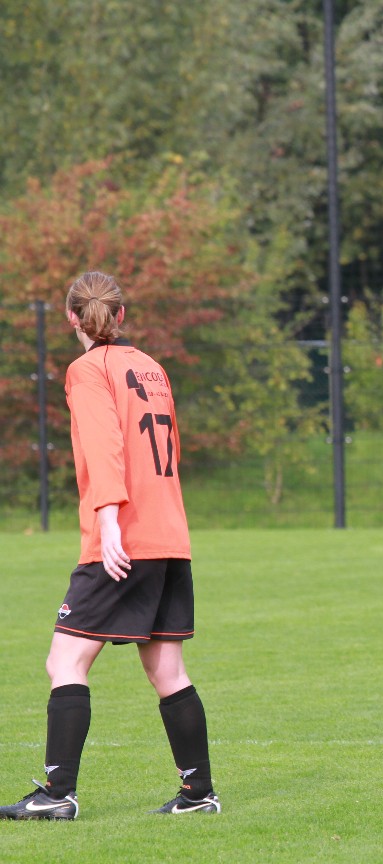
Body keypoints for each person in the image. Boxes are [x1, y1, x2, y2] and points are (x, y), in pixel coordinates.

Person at [0, 272, 220, 820]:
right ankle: (199, 795)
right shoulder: (151, 366)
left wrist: (110, 523)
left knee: (65, 658)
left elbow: (104, 449)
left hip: (123, 538)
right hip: (169, 535)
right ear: (120, 315)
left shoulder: (86, 370)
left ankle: (57, 795)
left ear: (71, 318)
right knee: (167, 669)